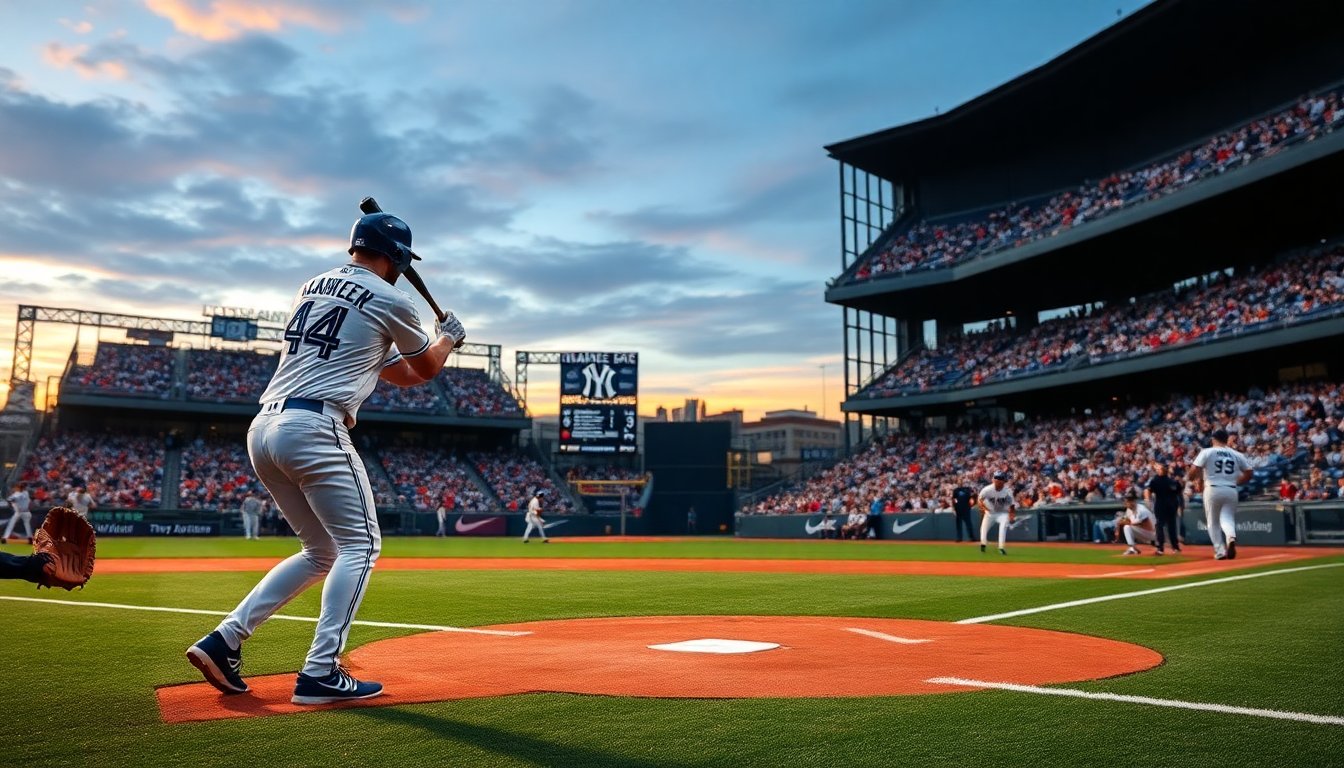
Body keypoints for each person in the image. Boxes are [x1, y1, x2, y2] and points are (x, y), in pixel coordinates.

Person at [185, 207, 465, 705]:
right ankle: (320, 671)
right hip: (315, 427)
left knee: (321, 552)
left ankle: (224, 640)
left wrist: (432, 343)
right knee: (362, 546)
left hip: (265, 429)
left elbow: (392, 370)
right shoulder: (392, 298)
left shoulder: (311, 285)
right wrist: (448, 338)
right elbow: (424, 368)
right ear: (397, 256)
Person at [1189, 428, 1252, 560]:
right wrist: (1237, 481)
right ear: (1226, 439)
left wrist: (1192, 478)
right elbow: (1249, 472)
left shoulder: (1207, 451)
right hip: (1231, 488)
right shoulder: (1237, 454)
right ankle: (1230, 537)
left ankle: (1220, 551)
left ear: (1213, 439)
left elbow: (1194, 469)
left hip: (1212, 488)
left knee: (1213, 522)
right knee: (1227, 518)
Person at [1144, 461, 1184, 554]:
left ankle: (1169, 547)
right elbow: (1148, 490)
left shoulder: (1170, 481)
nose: (1161, 470)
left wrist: (1179, 506)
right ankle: (1165, 548)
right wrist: (1148, 499)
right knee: (1164, 527)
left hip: (1168, 506)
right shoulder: (1158, 480)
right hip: (1164, 506)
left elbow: (1179, 492)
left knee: (1167, 527)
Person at [979, 471, 1017, 555]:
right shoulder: (987, 489)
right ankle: (983, 545)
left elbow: (1012, 505)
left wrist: (1012, 516)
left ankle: (1001, 547)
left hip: (1002, 513)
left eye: (1000, 478)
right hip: (990, 513)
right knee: (983, 529)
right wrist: (982, 507)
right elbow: (980, 499)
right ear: (993, 479)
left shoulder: (1007, 491)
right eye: (996, 478)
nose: (997, 480)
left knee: (1003, 527)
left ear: (1004, 480)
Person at [1118, 488, 1157, 555]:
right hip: (1145, 533)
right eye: (1127, 501)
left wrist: (1129, 523)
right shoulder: (1129, 510)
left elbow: (1148, 526)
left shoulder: (1141, 510)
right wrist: (1122, 522)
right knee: (1126, 526)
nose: (1126, 503)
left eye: (1128, 501)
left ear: (1133, 501)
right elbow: (1124, 520)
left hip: (1153, 534)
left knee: (1127, 527)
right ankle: (1133, 548)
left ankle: (1132, 548)